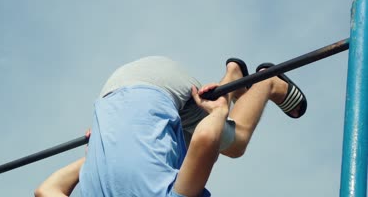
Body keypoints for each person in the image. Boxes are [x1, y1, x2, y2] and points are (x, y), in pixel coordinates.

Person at [35, 56, 307, 197]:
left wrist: (220, 111)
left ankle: (266, 82)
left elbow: (205, 138)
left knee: (234, 141)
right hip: (112, 91)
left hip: (162, 85)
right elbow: (46, 189)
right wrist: (98, 150)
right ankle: (232, 78)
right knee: (176, 151)